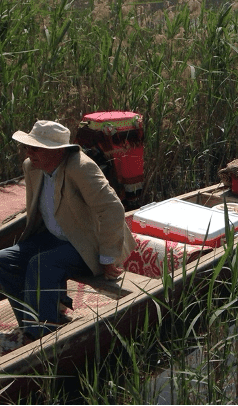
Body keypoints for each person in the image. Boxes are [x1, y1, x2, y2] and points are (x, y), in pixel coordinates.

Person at [0, 120, 136, 341]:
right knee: (5, 260)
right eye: (28, 147)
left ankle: (43, 335)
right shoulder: (32, 167)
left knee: (42, 264)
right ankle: (31, 321)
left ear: (57, 151)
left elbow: (111, 208)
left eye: (36, 148)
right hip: (56, 236)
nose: (29, 152)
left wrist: (107, 257)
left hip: (87, 242)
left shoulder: (81, 167)